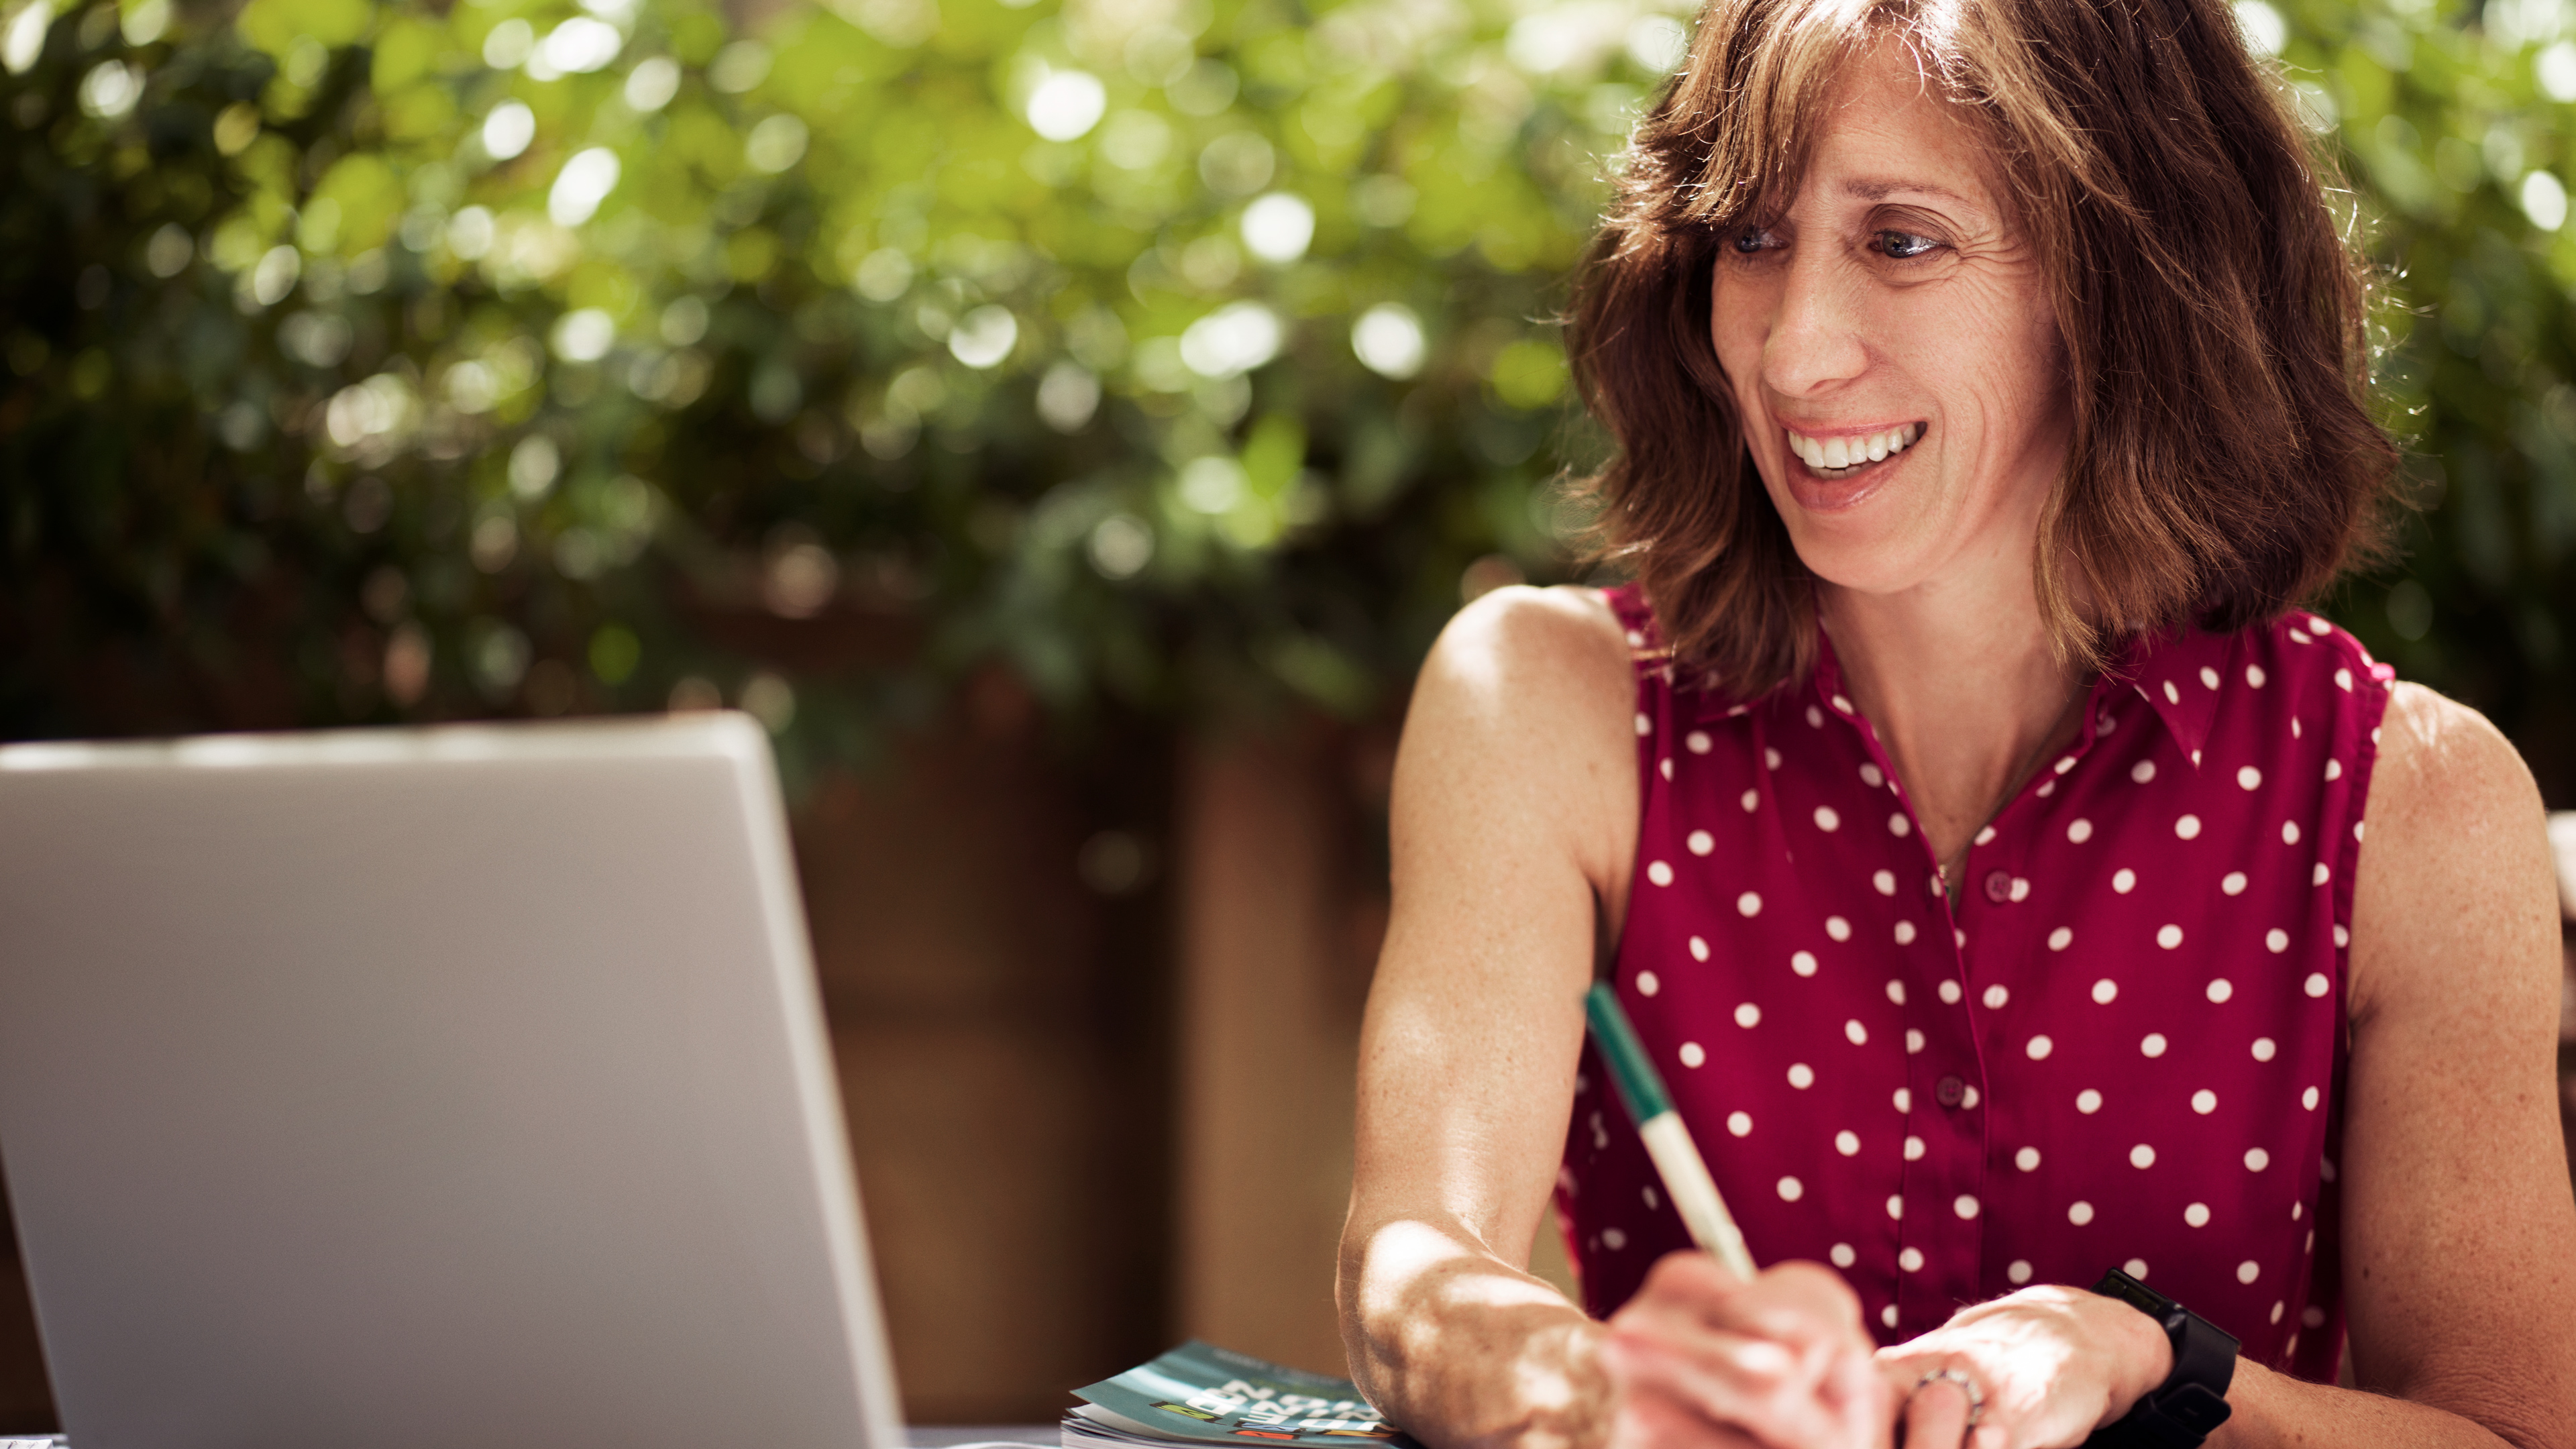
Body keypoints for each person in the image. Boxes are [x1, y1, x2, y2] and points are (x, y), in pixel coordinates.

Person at [1335, 0, 2576, 1446]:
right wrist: (1597, 1392)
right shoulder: (1548, 706)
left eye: (1901, 241)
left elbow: (2503, 1434)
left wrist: (2147, 1361)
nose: (1793, 353)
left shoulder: (2407, 798)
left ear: (2128, 279)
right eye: (1751, 237)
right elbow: (1413, 1269)